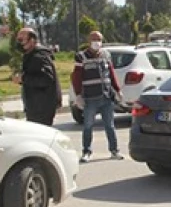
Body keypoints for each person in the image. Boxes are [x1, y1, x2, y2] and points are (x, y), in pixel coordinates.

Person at [71, 31, 124, 163]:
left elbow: (111, 73)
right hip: (90, 98)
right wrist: (78, 95)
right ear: (88, 41)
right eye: (94, 39)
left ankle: (114, 150)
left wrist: (117, 90)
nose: (96, 42)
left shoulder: (106, 54)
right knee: (88, 126)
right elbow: (76, 77)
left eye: (99, 39)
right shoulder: (81, 56)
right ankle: (86, 152)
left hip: (106, 96)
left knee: (110, 125)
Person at [13, 27, 60, 125]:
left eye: (21, 40)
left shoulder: (40, 56)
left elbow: (46, 79)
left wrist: (23, 78)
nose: (19, 43)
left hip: (42, 107)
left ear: (32, 40)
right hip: (35, 106)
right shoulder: (30, 55)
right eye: (18, 40)